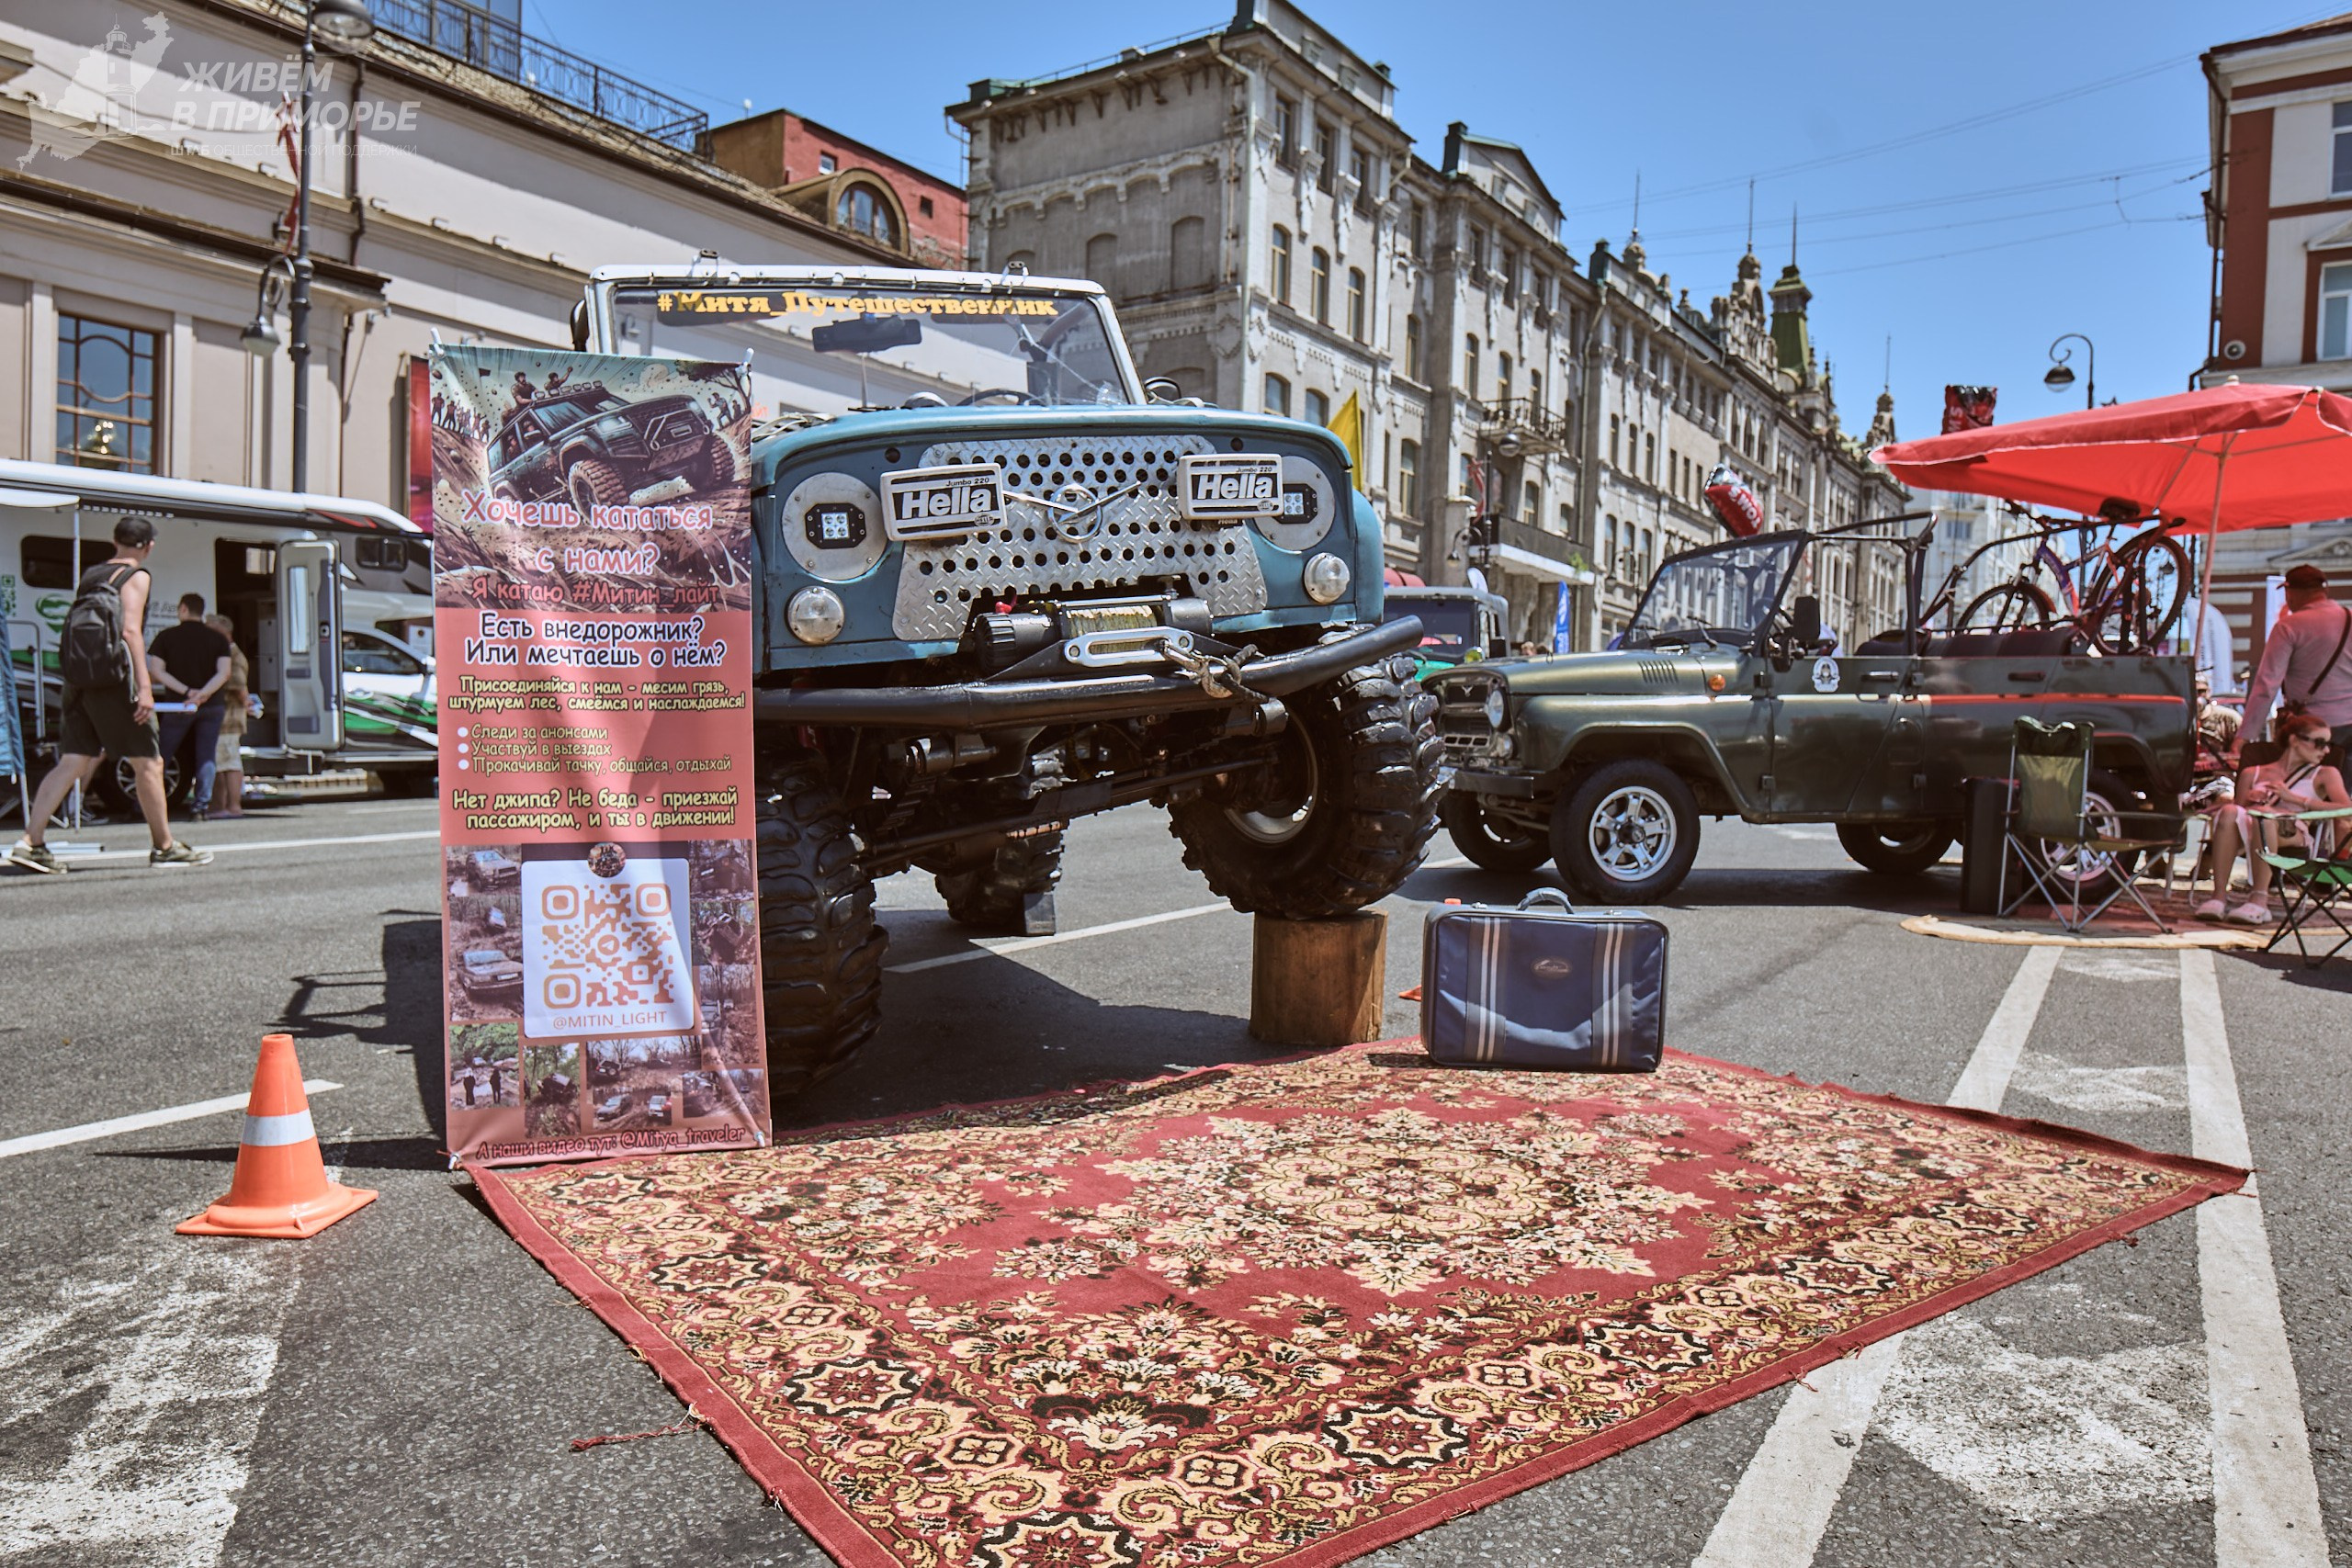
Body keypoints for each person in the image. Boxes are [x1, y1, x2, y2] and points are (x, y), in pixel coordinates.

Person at [6, 517, 209, 872]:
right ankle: (164, 847)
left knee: (74, 760)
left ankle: (30, 842)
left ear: (115, 541)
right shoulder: (137, 576)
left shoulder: (92, 575)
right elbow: (130, 631)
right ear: (148, 546)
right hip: (114, 680)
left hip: (78, 678)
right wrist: (144, 687)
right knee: (149, 762)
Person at [2196, 713, 2348, 923]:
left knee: (2265, 817)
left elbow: (2346, 809)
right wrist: (2251, 799)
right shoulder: (2252, 773)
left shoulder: (2325, 773)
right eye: (2320, 743)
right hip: (2250, 828)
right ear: (2295, 740)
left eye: (2328, 744)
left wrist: (2295, 799)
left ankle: (2259, 899)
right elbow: (2239, 811)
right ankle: (2218, 897)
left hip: (2292, 831)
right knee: (2230, 811)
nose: (2326, 750)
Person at [2237, 564, 2352, 764]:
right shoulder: (2349, 618)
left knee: (2309, 782)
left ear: (2290, 593)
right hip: (2350, 724)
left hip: (2309, 731)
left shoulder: (2288, 627)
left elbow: (2266, 686)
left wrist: (2244, 737)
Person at [148, 592, 233, 818]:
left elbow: (157, 671)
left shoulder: (166, 637)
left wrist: (187, 692)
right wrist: (203, 694)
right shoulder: (218, 639)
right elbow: (224, 673)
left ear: (183, 609)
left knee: (163, 752)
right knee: (206, 755)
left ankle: (148, 803)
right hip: (212, 705)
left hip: (178, 705)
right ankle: (200, 806)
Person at [203, 613, 251, 819]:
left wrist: (246, 702)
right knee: (222, 763)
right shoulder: (227, 654)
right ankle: (220, 805)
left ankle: (231, 806)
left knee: (228, 763)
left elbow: (239, 686)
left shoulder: (233, 656)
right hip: (226, 717)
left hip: (229, 718)